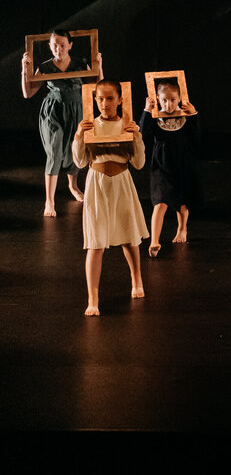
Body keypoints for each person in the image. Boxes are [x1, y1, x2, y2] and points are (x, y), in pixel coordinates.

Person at [72, 79, 148, 316]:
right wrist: (78, 136)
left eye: (109, 98)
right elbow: (80, 162)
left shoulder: (127, 125)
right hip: (97, 184)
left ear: (120, 99)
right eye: (100, 99)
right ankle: (92, 298)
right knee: (95, 243)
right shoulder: (89, 125)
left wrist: (137, 138)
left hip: (122, 183)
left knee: (129, 237)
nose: (104, 103)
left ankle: (137, 280)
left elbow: (138, 163)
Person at [20, 31, 102, 216]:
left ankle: (73, 186)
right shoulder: (45, 66)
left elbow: (99, 88)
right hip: (53, 112)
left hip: (76, 111)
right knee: (54, 151)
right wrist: (24, 70)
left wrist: (99, 66)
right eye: (55, 45)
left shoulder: (80, 63)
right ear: (50, 46)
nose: (59, 49)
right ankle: (49, 201)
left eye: (63, 45)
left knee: (76, 149)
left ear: (70, 45)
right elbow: (28, 93)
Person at [138, 80, 201, 258]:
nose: (169, 104)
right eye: (164, 100)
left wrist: (194, 114)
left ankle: (182, 228)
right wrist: (146, 111)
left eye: (173, 100)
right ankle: (154, 240)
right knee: (160, 202)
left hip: (182, 164)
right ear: (158, 99)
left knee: (182, 203)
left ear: (179, 98)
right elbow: (142, 134)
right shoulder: (155, 116)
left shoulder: (185, 116)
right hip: (161, 165)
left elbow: (196, 136)